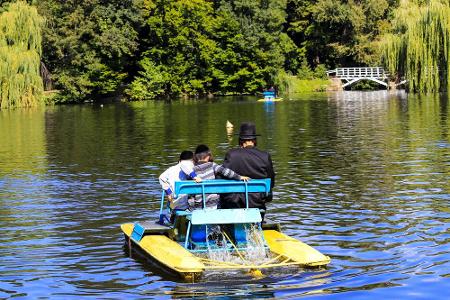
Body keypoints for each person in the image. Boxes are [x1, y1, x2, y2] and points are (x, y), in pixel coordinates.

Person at [219, 122, 275, 220]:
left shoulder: (232, 155)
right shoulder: (265, 156)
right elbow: (271, 182)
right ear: (255, 140)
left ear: (240, 141)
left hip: (234, 203)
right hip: (257, 203)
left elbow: (221, 178)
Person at [190, 144, 250, 210]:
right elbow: (226, 172)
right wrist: (239, 177)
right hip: (213, 205)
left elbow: (191, 194)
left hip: (198, 207)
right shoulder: (212, 165)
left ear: (196, 157)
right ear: (208, 156)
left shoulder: (193, 170)